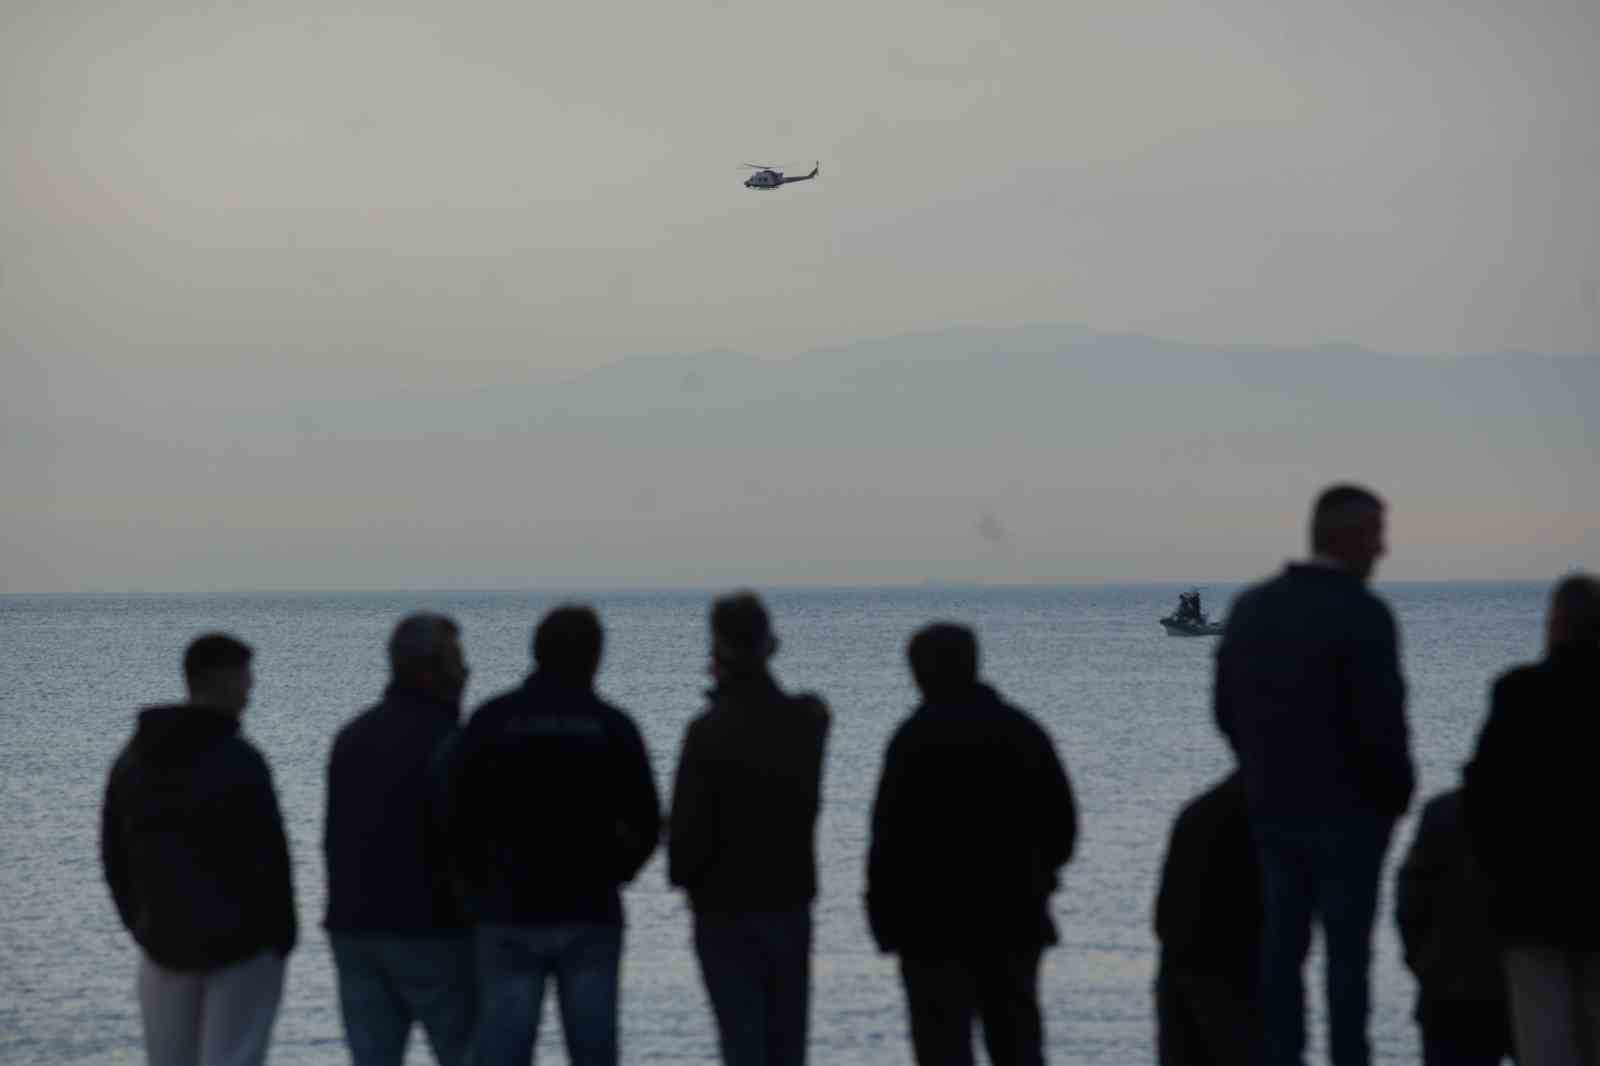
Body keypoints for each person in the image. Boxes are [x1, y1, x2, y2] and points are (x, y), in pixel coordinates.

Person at [1214, 483, 1414, 1066]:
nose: (1383, 550)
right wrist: (1394, 797)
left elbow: (1226, 709)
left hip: (1274, 809)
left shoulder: (1252, 607)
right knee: (1348, 965)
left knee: (1280, 956)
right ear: (1346, 537)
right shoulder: (1363, 613)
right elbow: (1382, 721)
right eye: (1376, 534)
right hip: (1354, 818)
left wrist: (1261, 772)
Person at [449, 605, 660, 1066]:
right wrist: (616, 871)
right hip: (590, 909)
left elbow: (456, 815)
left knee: (503, 1048)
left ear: (536, 652)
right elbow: (647, 820)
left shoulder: (491, 720)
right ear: (595, 658)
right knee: (593, 1050)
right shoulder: (612, 726)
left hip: (506, 908)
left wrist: (476, 883)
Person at [865, 622, 1078, 1066]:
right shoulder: (1021, 732)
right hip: (1013, 919)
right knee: (1018, 1044)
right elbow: (1063, 826)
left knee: (941, 1049)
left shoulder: (912, 740)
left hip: (930, 931)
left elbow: (886, 841)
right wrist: (1037, 875)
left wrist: (884, 919)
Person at [100, 633, 296, 1066]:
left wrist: (142, 924)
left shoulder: (133, 759)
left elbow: (113, 854)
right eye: (246, 675)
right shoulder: (238, 758)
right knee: (234, 1056)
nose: (251, 687)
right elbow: (269, 857)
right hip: (242, 947)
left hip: (163, 941)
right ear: (223, 679)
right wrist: (281, 936)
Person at [668, 591, 831, 1066]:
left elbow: (685, 836)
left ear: (717, 649)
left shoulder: (708, 731)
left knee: (741, 1044)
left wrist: (687, 877)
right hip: (787, 900)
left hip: (723, 908)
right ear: (770, 645)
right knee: (787, 1046)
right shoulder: (805, 721)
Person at [324, 613, 476, 1066]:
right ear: (430, 668)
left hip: (355, 930)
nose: (467, 674)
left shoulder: (351, 738)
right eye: (458, 662)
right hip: (434, 930)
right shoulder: (451, 742)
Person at [1463, 573, 1600, 1066]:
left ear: (1555, 624)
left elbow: (1481, 801)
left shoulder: (1519, 694)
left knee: (1546, 1045)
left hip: (1532, 908)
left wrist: (1496, 883)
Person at [1394, 788, 1513, 1066]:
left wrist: (1424, 965)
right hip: (1531, 995)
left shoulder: (1443, 813)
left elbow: (1410, 903)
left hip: (1449, 994)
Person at [1153, 771, 1261, 1066]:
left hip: (1188, 967)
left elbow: (1163, 918)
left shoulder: (1197, 817)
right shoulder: (1281, 828)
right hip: (1242, 977)